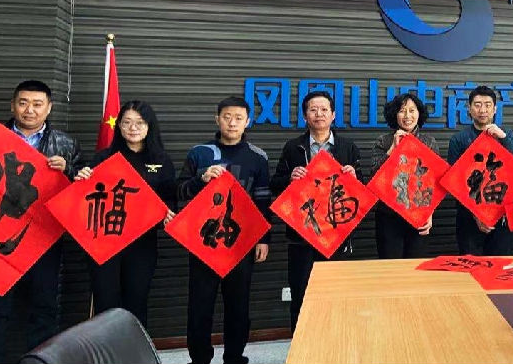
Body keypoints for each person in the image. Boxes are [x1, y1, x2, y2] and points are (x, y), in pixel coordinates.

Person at [0, 80, 82, 364]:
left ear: (49, 108)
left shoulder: (66, 144)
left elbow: (80, 194)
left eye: (37, 104)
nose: (29, 110)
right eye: (23, 103)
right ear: (13, 106)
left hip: (43, 238)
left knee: (44, 309)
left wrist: (69, 170)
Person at [177, 97, 272, 364]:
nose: (232, 123)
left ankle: (234, 356)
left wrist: (263, 238)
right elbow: (179, 192)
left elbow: (263, 200)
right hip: (203, 241)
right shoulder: (199, 153)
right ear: (217, 119)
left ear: (248, 122)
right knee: (200, 305)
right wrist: (201, 179)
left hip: (242, 242)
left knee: (238, 305)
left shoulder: (257, 157)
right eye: (227, 117)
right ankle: (199, 359)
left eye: (239, 118)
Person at [74, 100, 176, 327]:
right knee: (105, 305)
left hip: (142, 244)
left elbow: (169, 200)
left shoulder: (161, 161)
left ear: (149, 126)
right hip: (105, 243)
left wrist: (167, 215)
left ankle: (134, 347)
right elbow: (85, 201)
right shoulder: (103, 158)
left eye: (140, 123)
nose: (133, 128)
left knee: (136, 303)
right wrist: (81, 181)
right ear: (118, 126)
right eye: (127, 122)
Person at [271, 90, 361, 332]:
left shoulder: (348, 147)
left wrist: (354, 177)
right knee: (301, 294)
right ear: (305, 116)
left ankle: (334, 342)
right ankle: (301, 345)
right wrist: (289, 178)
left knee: (335, 295)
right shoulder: (293, 147)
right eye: (313, 109)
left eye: (324, 109)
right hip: (301, 235)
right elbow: (275, 185)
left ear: (333, 115)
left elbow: (361, 191)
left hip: (336, 234)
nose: (319, 114)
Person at [447, 85, 513, 256]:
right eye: (477, 104)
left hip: (501, 215)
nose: (482, 110)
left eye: (488, 105)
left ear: (495, 109)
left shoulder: (506, 134)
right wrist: (477, 214)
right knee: (471, 266)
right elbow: (454, 183)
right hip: (469, 218)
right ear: (469, 108)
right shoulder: (459, 140)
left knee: (499, 264)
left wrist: (503, 139)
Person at [370, 93, 439, 259]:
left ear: (419, 113)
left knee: (415, 265)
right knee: (390, 265)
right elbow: (374, 177)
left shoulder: (429, 142)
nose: (407, 116)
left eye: (412, 110)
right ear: (395, 115)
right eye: (402, 111)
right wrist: (392, 150)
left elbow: (435, 181)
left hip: (419, 212)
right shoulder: (383, 141)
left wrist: (429, 213)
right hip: (389, 215)